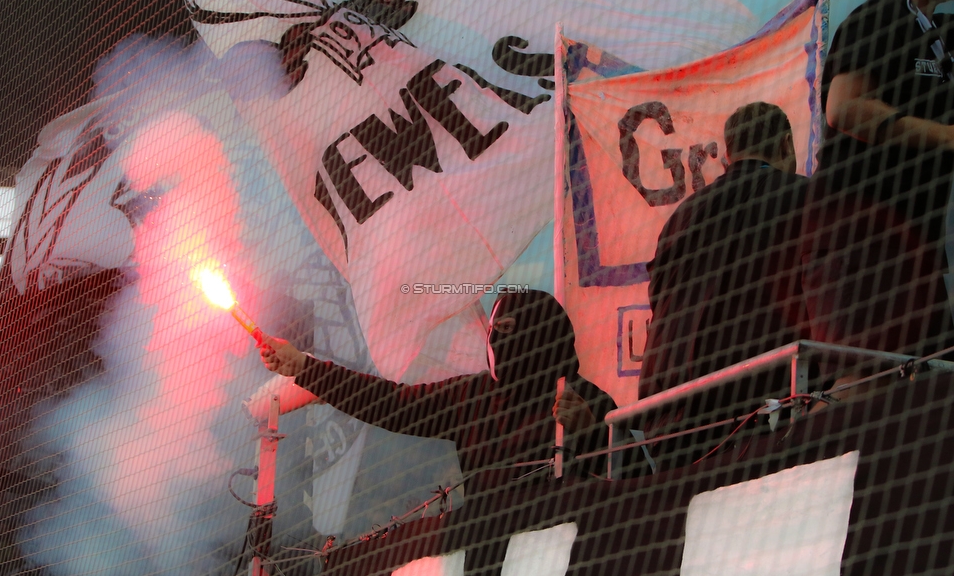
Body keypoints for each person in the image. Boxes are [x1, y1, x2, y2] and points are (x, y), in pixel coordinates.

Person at [258, 289, 616, 484]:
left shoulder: (583, 401)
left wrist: (593, 434)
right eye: (492, 330)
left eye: (506, 329)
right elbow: (392, 405)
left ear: (543, 336)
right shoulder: (471, 398)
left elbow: (640, 480)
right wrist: (305, 367)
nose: (493, 340)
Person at [806, 0, 954, 358]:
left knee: (931, 387)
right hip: (861, 250)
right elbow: (845, 107)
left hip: (917, 251)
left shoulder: (936, 35)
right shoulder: (876, 18)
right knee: (866, 384)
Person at [638, 102, 811, 403]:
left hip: (666, 401)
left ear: (727, 156)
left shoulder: (681, 216)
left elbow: (658, 297)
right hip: (759, 403)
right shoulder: (807, 196)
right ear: (786, 144)